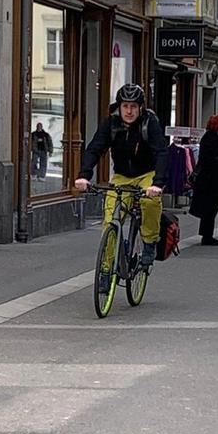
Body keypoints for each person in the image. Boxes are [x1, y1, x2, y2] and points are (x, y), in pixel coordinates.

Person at [76, 84, 167, 291]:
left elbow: (161, 152)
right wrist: (84, 176)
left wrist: (157, 184)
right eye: (125, 106)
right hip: (121, 176)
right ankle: (106, 271)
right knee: (110, 221)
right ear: (119, 106)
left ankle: (150, 244)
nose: (129, 111)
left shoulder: (149, 123)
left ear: (141, 108)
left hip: (146, 175)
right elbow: (94, 148)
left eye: (133, 106)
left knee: (149, 201)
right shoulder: (112, 124)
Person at [190, 115, 218, 246]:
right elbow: (211, 159)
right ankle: (207, 236)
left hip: (211, 180)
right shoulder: (213, 139)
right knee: (210, 209)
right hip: (212, 181)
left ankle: (206, 234)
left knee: (210, 209)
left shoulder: (211, 138)